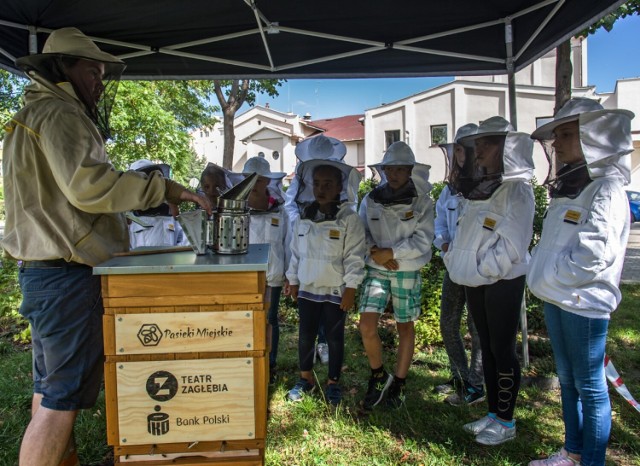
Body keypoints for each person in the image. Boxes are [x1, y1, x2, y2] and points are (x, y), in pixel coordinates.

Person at [1, 27, 211, 466]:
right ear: (62, 68)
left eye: (101, 72)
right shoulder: (60, 115)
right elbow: (90, 187)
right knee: (62, 398)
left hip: (45, 271)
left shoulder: (33, 114)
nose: (99, 81)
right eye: (92, 70)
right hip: (65, 273)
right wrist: (166, 190)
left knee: (50, 388)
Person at [526, 98, 634, 466]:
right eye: (556, 135)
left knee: (591, 386)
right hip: (559, 299)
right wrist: (548, 279)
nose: (556, 143)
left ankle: (592, 461)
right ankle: (572, 453)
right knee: (568, 381)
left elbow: (594, 255)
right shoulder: (574, 185)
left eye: (566, 134)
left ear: (595, 136)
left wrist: (551, 278)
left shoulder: (607, 190)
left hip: (583, 305)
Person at [443, 116, 535, 445]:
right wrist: (464, 264)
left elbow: (513, 242)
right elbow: (464, 235)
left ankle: (506, 422)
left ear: (505, 147)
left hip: (503, 281)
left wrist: (480, 269)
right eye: (477, 144)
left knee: (502, 348)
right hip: (476, 280)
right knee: (488, 345)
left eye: (486, 143)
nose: (478, 150)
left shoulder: (517, 189)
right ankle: (494, 413)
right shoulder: (476, 187)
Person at [358, 141, 434, 409]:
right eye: (390, 168)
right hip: (376, 267)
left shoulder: (423, 202)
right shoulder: (371, 198)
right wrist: (375, 251)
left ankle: (399, 383)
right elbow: (361, 230)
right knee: (366, 325)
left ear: (411, 170)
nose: (394, 174)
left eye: (401, 169)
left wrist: (393, 252)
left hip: (406, 270)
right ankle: (379, 375)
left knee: (405, 326)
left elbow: (424, 240)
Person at [285, 158, 365, 406]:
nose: (321, 189)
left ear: (340, 187)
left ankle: (333, 382)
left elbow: (354, 255)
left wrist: (351, 287)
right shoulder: (303, 217)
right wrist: (293, 280)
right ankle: (305, 378)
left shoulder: (348, 218)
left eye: (327, 184)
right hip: (308, 287)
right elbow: (296, 252)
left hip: (335, 289)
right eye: (317, 184)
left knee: (334, 337)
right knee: (306, 335)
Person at [434, 124, 485, 406]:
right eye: (459, 150)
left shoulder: (490, 185)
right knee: (448, 322)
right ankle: (459, 376)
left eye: (467, 149)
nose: (463, 155)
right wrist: (443, 245)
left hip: (479, 270)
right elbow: (440, 222)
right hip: (454, 266)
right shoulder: (450, 190)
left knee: (477, 328)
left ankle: (476, 386)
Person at [285, 134, 348, 365]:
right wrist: (302, 226)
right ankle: (311, 359)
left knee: (330, 311)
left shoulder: (338, 175)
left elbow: (349, 205)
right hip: (307, 237)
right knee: (310, 314)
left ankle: (325, 346)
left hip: (332, 251)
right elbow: (291, 205)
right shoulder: (303, 175)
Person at [240, 156, 290, 384]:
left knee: (270, 319)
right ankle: (247, 362)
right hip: (245, 276)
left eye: (259, 180)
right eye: (250, 179)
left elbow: (288, 243)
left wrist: (291, 274)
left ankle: (270, 365)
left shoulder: (280, 211)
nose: (255, 183)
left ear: (267, 181)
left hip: (273, 274)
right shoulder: (236, 208)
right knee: (245, 320)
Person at [128, 159, 190, 249]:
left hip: (168, 263)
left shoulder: (169, 215)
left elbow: (184, 244)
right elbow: (124, 250)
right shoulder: (128, 219)